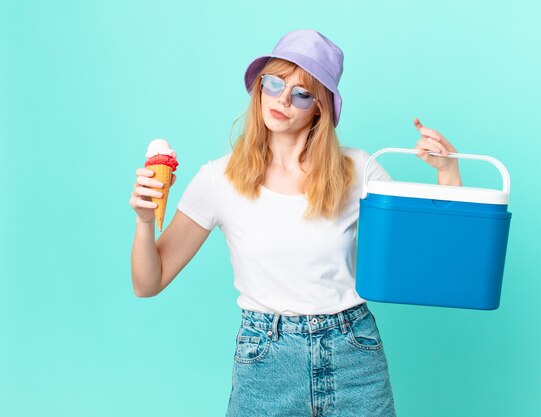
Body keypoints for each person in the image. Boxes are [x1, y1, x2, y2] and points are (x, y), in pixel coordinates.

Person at [129, 29, 461, 417]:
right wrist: (144, 220)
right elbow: (148, 283)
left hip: (354, 351)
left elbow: (432, 254)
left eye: (302, 93)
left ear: (320, 107)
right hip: (266, 359)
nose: (283, 99)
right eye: (274, 83)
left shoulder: (356, 169)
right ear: (259, 87)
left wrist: (448, 172)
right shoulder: (218, 179)